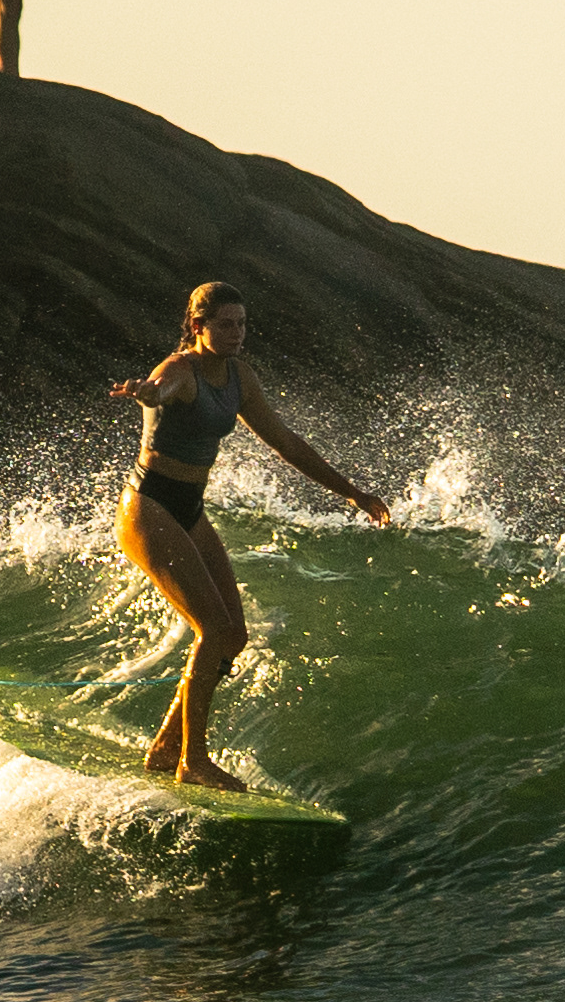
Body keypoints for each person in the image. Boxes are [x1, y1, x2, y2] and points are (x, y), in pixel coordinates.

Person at [111, 282, 390, 791]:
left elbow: (284, 441)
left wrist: (351, 493)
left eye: (242, 324)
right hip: (150, 506)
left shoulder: (239, 375)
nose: (237, 334)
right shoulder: (178, 370)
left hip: (189, 510)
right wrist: (149, 395)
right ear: (198, 327)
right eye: (225, 324)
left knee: (232, 635)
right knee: (212, 629)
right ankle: (192, 760)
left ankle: (166, 747)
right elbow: (161, 389)